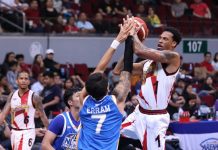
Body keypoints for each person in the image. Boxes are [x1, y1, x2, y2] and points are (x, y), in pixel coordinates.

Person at [120, 24, 182, 150]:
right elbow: (120, 69)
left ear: (174, 43)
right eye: (160, 38)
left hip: (156, 119)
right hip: (138, 113)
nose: (160, 40)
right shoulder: (147, 63)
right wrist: (128, 42)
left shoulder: (174, 58)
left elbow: (140, 51)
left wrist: (134, 35)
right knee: (113, 136)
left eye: (165, 39)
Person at [77, 16, 135, 150]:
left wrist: (118, 40)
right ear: (108, 88)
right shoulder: (117, 100)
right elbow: (127, 71)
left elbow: (99, 69)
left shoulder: (83, 100)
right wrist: (129, 39)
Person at [0, 71, 49, 150]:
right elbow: (3, 115)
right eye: (21, 78)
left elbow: (43, 116)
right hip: (14, 132)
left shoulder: (35, 97)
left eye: (26, 79)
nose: (23, 80)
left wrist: (50, 132)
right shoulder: (12, 95)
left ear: (29, 81)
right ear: (17, 81)